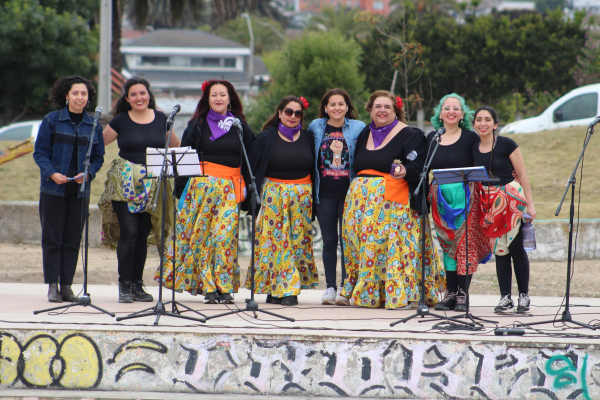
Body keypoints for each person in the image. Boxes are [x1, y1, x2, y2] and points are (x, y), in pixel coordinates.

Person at [338, 90, 445, 309]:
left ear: (395, 110)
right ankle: (365, 292)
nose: (382, 110)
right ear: (370, 110)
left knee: (385, 248)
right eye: (378, 106)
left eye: (387, 107)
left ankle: (399, 293)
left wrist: (405, 170)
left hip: (392, 203)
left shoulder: (410, 134)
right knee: (358, 247)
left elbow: (420, 164)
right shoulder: (365, 133)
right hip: (360, 203)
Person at [156, 80, 255, 304]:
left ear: (230, 99)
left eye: (223, 94)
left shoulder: (239, 125)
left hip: (230, 189)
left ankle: (225, 287)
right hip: (201, 188)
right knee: (201, 240)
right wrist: (181, 193)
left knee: (224, 238)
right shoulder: (197, 123)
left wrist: (249, 193)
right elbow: (185, 156)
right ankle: (209, 288)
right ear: (207, 99)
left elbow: (251, 155)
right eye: (214, 95)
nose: (218, 98)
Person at [99, 76, 180, 303]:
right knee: (130, 232)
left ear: (149, 95)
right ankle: (124, 285)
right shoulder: (120, 121)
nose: (139, 98)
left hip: (153, 184)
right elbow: (100, 142)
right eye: (133, 94)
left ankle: (137, 284)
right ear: (127, 98)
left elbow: (174, 146)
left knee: (142, 236)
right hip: (124, 182)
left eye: (142, 93)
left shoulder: (162, 119)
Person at [33, 76, 105, 303]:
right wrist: (53, 174)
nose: (80, 98)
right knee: (52, 239)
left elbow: (98, 157)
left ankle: (67, 286)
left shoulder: (94, 124)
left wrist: (89, 173)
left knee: (73, 239)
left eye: (84, 94)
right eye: (75, 93)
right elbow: (40, 153)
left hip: (79, 191)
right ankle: (52, 286)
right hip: (53, 190)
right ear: (66, 95)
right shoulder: (52, 120)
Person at [246, 95, 319, 306]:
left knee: (296, 243)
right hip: (273, 197)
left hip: (302, 199)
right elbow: (251, 167)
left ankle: (279, 290)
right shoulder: (266, 137)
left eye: (298, 113)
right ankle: (287, 291)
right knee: (276, 245)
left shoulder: (308, 138)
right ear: (279, 113)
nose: (293, 116)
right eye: (289, 111)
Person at [427, 93, 491, 312]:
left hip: (467, 198)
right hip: (441, 201)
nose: (451, 111)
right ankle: (450, 293)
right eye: (447, 108)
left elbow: (481, 164)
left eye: (456, 108)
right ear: (440, 113)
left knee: (464, 247)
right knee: (447, 247)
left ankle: (463, 295)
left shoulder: (470, 138)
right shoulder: (432, 138)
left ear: (462, 114)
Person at [472, 106, 536, 314]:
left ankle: (524, 296)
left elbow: (522, 174)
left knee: (516, 248)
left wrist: (530, 204)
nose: (483, 123)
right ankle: (505, 297)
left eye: (487, 119)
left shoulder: (507, 144)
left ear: (495, 124)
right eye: (479, 120)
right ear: (474, 124)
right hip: (489, 204)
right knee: (500, 251)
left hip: (511, 199)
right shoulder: (473, 147)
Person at [308, 89, 366, 306]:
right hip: (324, 193)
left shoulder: (358, 127)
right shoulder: (316, 126)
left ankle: (346, 287)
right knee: (329, 241)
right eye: (332, 104)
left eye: (341, 104)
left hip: (350, 194)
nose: (337, 108)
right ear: (325, 107)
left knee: (348, 243)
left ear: (347, 106)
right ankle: (330, 288)